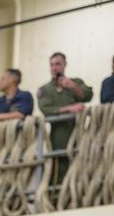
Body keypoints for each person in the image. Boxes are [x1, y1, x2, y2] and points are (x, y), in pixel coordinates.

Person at [37, 52, 94, 182]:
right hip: (59, 136)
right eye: (51, 65)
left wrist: (73, 86)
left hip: (79, 133)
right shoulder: (45, 90)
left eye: (58, 64)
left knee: (82, 167)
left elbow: (87, 96)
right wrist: (70, 109)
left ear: (65, 65)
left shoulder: (75, 82)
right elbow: (46, 109)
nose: (54, 68)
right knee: (59, 169)